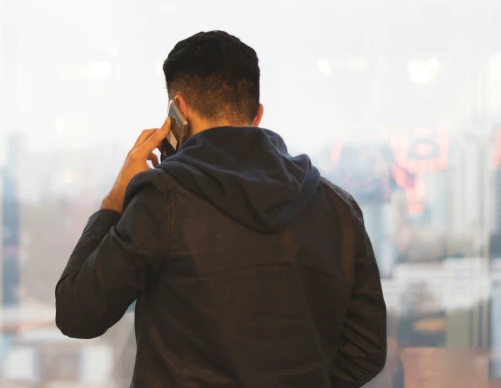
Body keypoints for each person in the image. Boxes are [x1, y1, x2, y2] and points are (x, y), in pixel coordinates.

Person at [55, 30, 387, 387]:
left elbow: (78, 312)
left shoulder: (162, 200)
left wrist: (116, 198)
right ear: (257, 114)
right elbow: (366, 349)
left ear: (177, 111)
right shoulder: (338, 208)